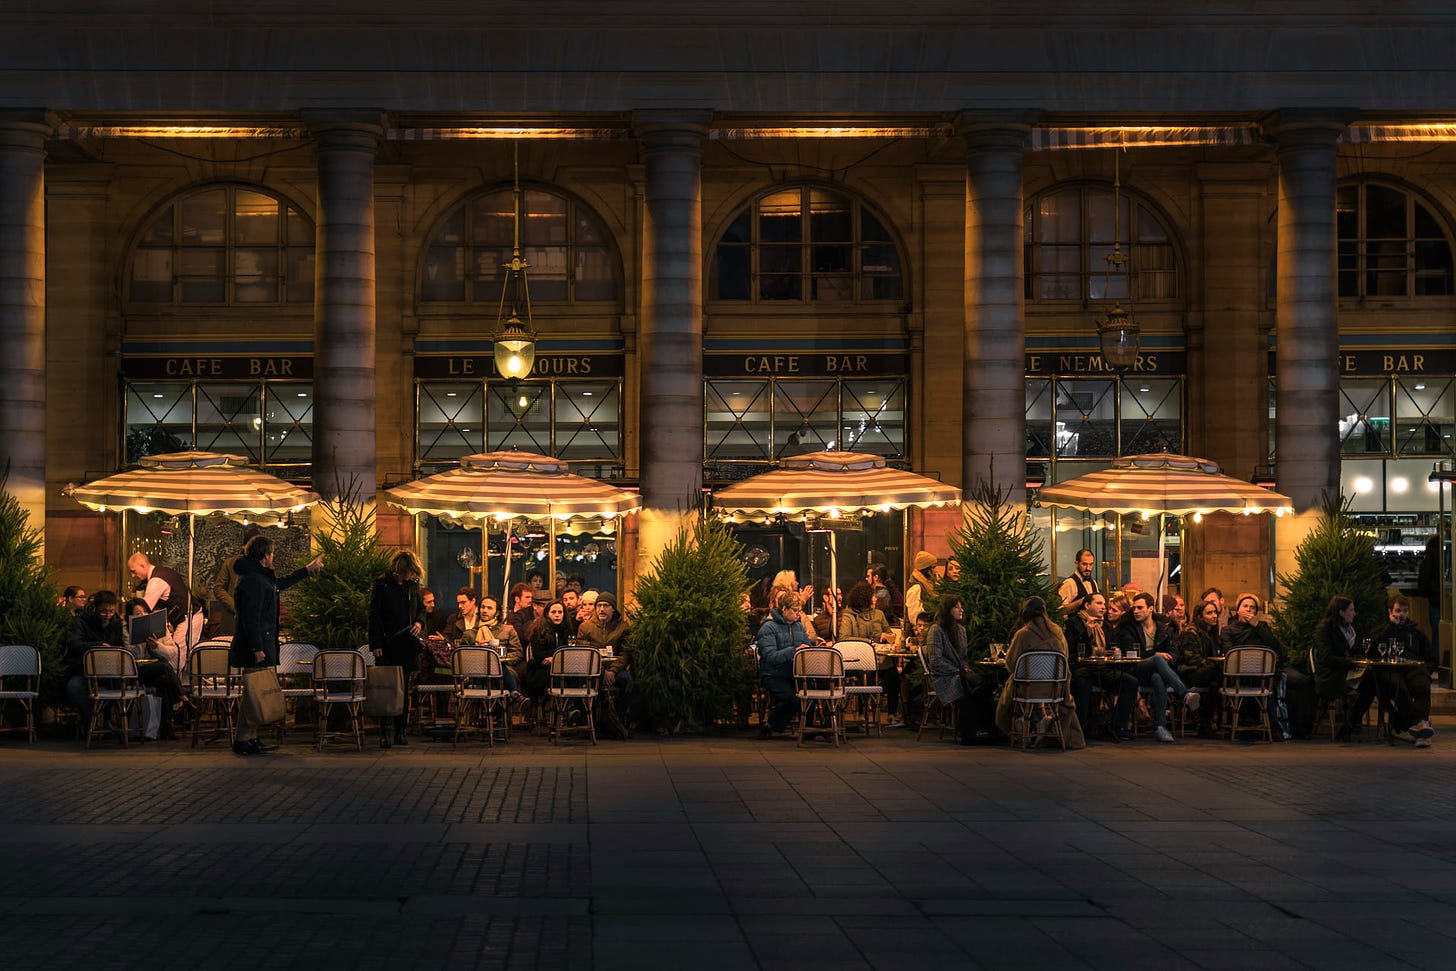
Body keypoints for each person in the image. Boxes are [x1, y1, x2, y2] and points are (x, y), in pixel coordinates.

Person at [230, 535, 323, 755]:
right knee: (253, 693)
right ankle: (244, 738)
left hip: (261, 643)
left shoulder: (259, 576)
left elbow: (278, 585)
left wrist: (307, 570)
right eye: (272, 553)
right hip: (256, 647)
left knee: (252, 693)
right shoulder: (253, 580)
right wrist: (257, 648)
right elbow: (250, 618)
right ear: (265, 555)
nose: (274, 557)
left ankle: (247, 737)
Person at [994, 596, 1085, 748]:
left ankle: (1022, 725)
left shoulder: (1022, 634)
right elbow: (1064, 658)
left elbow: (1011, 664)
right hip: (1055, 690)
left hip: (1027, 689)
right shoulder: (1057, 632)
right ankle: (1043, 720)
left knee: (1014, 687)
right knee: (1036, 687)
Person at [1114, 592, 1199, 743]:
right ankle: (1185, 693)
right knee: (1158, 659)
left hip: (1158, 671)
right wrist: (1156, 655)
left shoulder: (1164, 628)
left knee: (1158, 677)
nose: (1136, 611)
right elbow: (1130, 653)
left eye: (1140, 608)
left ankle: (1160, 727)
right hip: (1136, 670)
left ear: (1150, 609)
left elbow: (1174, 653)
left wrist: (1166, 659)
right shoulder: (1130, 628)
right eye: (1134, 608)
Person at [368, 550, 426, 748]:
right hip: (388, 643)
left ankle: (401, 730)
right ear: (398, 570)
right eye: (405, 574)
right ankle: (386, 731)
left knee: (404, 688)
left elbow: (421, 609)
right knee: (387, 688)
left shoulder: (412, 586)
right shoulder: (382, 585)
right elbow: (374, 616)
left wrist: (419, 622)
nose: (407, 578)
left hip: (407, 643)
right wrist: (375, 644)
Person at [1366, 593, 1438, 747]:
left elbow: (1431, 656)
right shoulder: (1382, 630)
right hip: (1390, 670)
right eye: (1398, 611)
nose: (1402, 615)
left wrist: (1427, 669)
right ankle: (1420, 728)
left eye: (1405, 611)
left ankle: (1420, 727)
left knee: (1422, 685)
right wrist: (1390, 628)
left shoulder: (1415, 632)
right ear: (1390, 611)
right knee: (1400, 690)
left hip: (1412, 668)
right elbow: (1371, 650)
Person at [127, 552, 205, 672]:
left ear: (143, 565)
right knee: (180, 654)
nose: (132, 575)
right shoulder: (164, 572)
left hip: (188, 617)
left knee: (177, 656)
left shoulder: (156, 580)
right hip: (187, 616)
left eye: (133, 571)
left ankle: (176, 685)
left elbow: (145, 608)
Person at [120, 597, 185, 740]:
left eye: (144, 612)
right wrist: (143, 643)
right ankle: (182, 699)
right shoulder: (126, 630)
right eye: (137, 614)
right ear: (130, 617)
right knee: (164, 668)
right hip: (137, 671)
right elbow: (130, 655)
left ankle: (166, 726)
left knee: (164, 680)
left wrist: (157, 647)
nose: (142, 616)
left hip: (157, 670)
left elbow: (173, 652)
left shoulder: (159, 627)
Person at [839, 579, 900, 726]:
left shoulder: (879, 614)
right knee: (865, 675)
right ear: (864, 598)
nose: (875, 598)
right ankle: (863, 713)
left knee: (893, 675)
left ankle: (892, 713)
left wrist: (886, 637)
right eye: (872, 596)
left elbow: (889, 633)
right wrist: (868, 642)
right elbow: (844, 638)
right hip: (858, 660)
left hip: (880, 658)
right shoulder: (849, 616)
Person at [64, 590, 124, 736]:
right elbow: (74, 644)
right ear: (95, 608)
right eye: (104, 611)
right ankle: (92, 717)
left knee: (121, 689)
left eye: (111, 611)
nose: (108, 615)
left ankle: (104, 716)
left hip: (109, 671)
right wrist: (98, 646)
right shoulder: (81, 622)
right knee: (74, 688)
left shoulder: (116, 623)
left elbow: (120, 645)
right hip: (84, 670)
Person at [755, 590, 813, 738]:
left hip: (794, 672)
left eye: (799, 611)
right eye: (794, 611)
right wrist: (794, 651)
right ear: (784, 609)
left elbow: (807, 646)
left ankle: (808, 729)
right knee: (791, 699)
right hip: (773, 673)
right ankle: (771, 725)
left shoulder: (798, 626)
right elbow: (770, 656)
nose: (798, 614)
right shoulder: (768, 628)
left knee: (812, 691)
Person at [575, 592, 633, 728]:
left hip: (615, 670)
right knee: (583, 681)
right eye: (599, 605)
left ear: (613, 608)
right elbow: (584, 652)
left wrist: (612, 670)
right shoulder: (586, 627)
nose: (601, 609)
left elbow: (625, 653)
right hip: (593, 671)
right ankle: (591, 721)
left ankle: (618, 718)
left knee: (628, 681)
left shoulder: (622, 628)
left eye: (606, 605)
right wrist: (602, 671)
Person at [1177, 600, 1224, 737]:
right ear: (1200, 616)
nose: (1214, 615)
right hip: (1190, 672)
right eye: (1209, 613)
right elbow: (1191, 658)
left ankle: (1205, 724)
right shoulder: (1190, 632)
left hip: (1206, 673)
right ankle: (1206, 723)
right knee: (1219, 673)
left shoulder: (1212, 633)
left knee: (1215, 684)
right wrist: (1213, 665)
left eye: (1215, 612)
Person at [1057, 548, 1101, 615]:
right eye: (1084, 564)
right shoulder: (1070, 583)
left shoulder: (1093, 582)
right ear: (1077, 563)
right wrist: (1080, 602)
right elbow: (1060, 610)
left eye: (1091, 564)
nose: (1088, 568)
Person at [1417, 535, 1443, 641]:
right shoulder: (1448, 546)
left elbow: (1425, 575)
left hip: (1435, 598)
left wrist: (1423, 593)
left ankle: (1436, 656)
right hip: (1443, 597)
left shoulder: (1432, 549)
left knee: (1436, 633)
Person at [904, 550, 938, 627]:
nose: (935, 571)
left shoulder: (927, 584)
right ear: (926, 568)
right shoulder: (916, 587)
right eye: (933, 567)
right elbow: (914, 616)